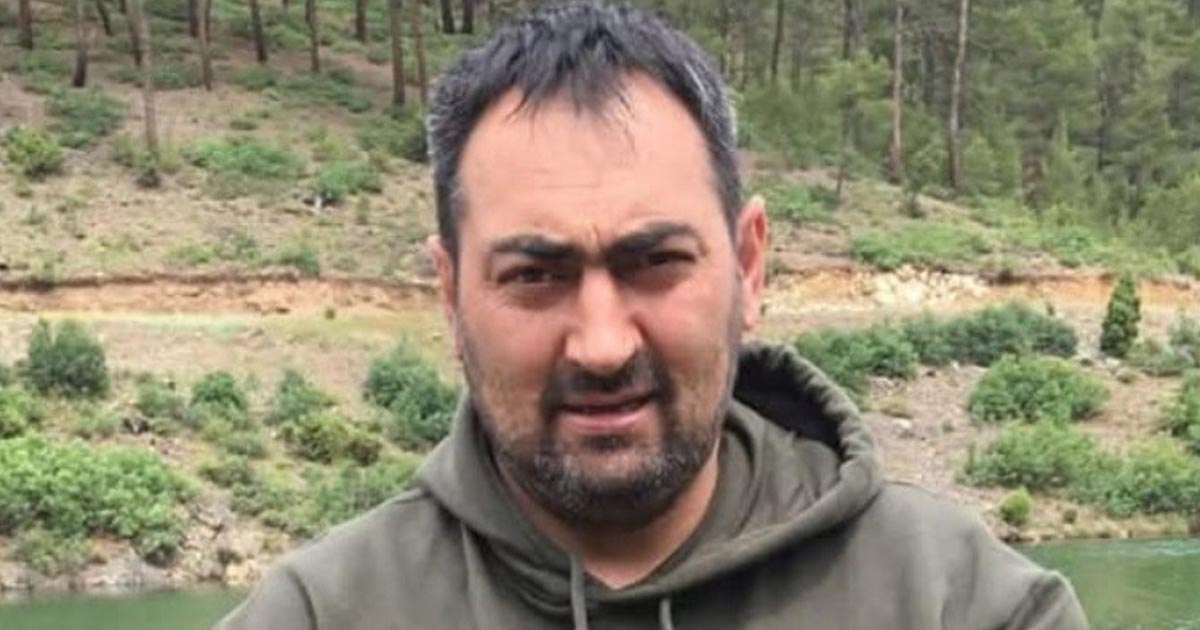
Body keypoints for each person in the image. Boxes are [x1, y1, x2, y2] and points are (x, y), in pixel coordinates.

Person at [217, 3, 1088, 629]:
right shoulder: (316, 613)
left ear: (748, 264)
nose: (602, 345)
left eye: (656, 263)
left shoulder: (966, 603)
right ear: (450, 295)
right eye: (535, 275)